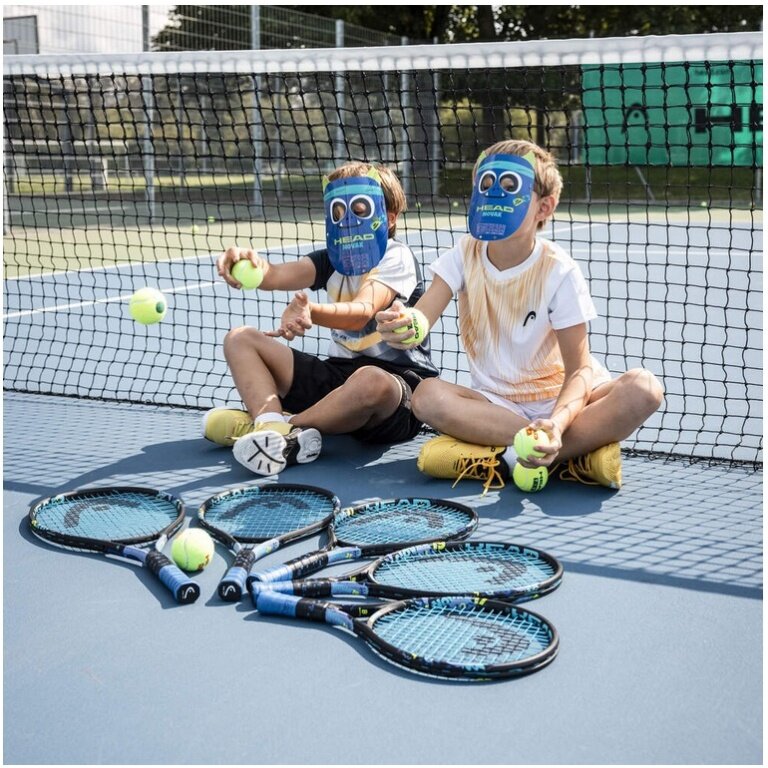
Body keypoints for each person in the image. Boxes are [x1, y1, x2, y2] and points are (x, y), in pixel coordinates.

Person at [376, 139, 664, 494]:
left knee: (644, 389)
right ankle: (572, 454)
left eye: (510, 186)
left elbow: (579, 371)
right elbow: (423, 317)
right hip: (496, 406)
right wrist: (406, 324)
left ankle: (514, 457)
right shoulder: (464, 253)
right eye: (485, 184)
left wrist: (558, 424)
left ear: (545, 207)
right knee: (425, 397)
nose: (493, 195)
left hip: (565, 400)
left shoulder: (559, 271)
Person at [203, 161, 438, 475]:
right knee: (240, 339)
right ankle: (269, 425)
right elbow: (275, 275)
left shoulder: (395, 256)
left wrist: (311, 311)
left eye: (359, 210)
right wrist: (247, 261)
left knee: (370, 379)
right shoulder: (332, 260)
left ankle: (285, 427)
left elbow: (361, 313)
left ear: (389, 217)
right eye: (337, 213)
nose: (347, 221)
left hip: (395, 393)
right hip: (336, 378)